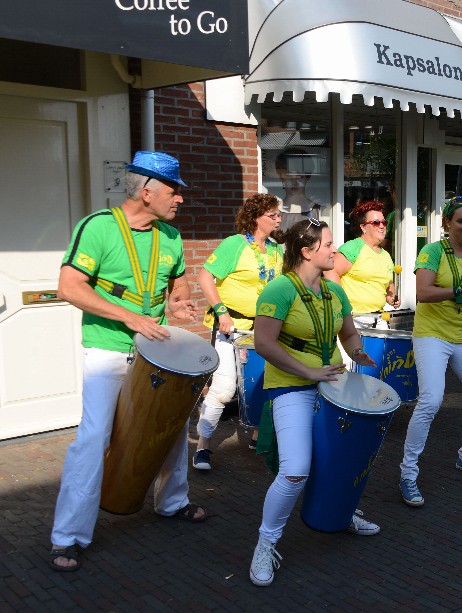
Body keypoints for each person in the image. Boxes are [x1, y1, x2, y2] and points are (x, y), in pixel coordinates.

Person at [49, 151, 205, 572]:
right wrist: (130, 317)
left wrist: (181, 306)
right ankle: (68, 537)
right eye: (174, 191)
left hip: (157, 354)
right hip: (108, 350)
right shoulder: (97, 228)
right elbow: (69, 287)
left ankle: (172, 502)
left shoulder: (170, 237)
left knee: (171, 428)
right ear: (147, 190)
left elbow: (175, 290)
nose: (180, 199)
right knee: (94, 438)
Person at [248, 218, 379, 587]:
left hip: (329, 384)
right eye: (328, 246)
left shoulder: (334, 292)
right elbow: (264, 344)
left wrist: (358, 351)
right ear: (307, 252)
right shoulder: (278, 291)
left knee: (339, 461)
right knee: (296, 470)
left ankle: (339, 513)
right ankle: (265, 542)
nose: (335, 251)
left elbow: (349, 331)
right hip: (292, 386)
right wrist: (308, 373)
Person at [398, 197, 462, 507]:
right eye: (461, 220)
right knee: (431, 400)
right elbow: (422, 293)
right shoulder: (433, 251)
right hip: (431, 335)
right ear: (447, 223)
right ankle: (407, 473)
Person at [194, 194, 284, 470]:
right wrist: (221, 311)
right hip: (231, 326)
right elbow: (205, 276)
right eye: (273, 215)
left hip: (264, 329)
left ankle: (257, 434)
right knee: (224, 388)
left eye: (279, 214)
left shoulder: (276, 251)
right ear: (256, 218)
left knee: (261, 382)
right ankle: (203, 446)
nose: (279, 219)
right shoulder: (234, 245)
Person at [326, 200, 399, 329]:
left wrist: (391, 298)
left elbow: (389, 284)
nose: (382, 226)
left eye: (384, 222)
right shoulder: (353, 248)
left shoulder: (385, 255)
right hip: (354, 319)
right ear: (363, 227)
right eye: (376, 223)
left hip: (379, 319)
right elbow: (330, 270)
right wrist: (342, 304)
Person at [274, 147, 323, 229]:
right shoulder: (273, 210)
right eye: (289, 176)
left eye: (299, 176)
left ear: (307, 178)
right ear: (281, 178)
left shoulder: (320, 211)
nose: (294, 181)